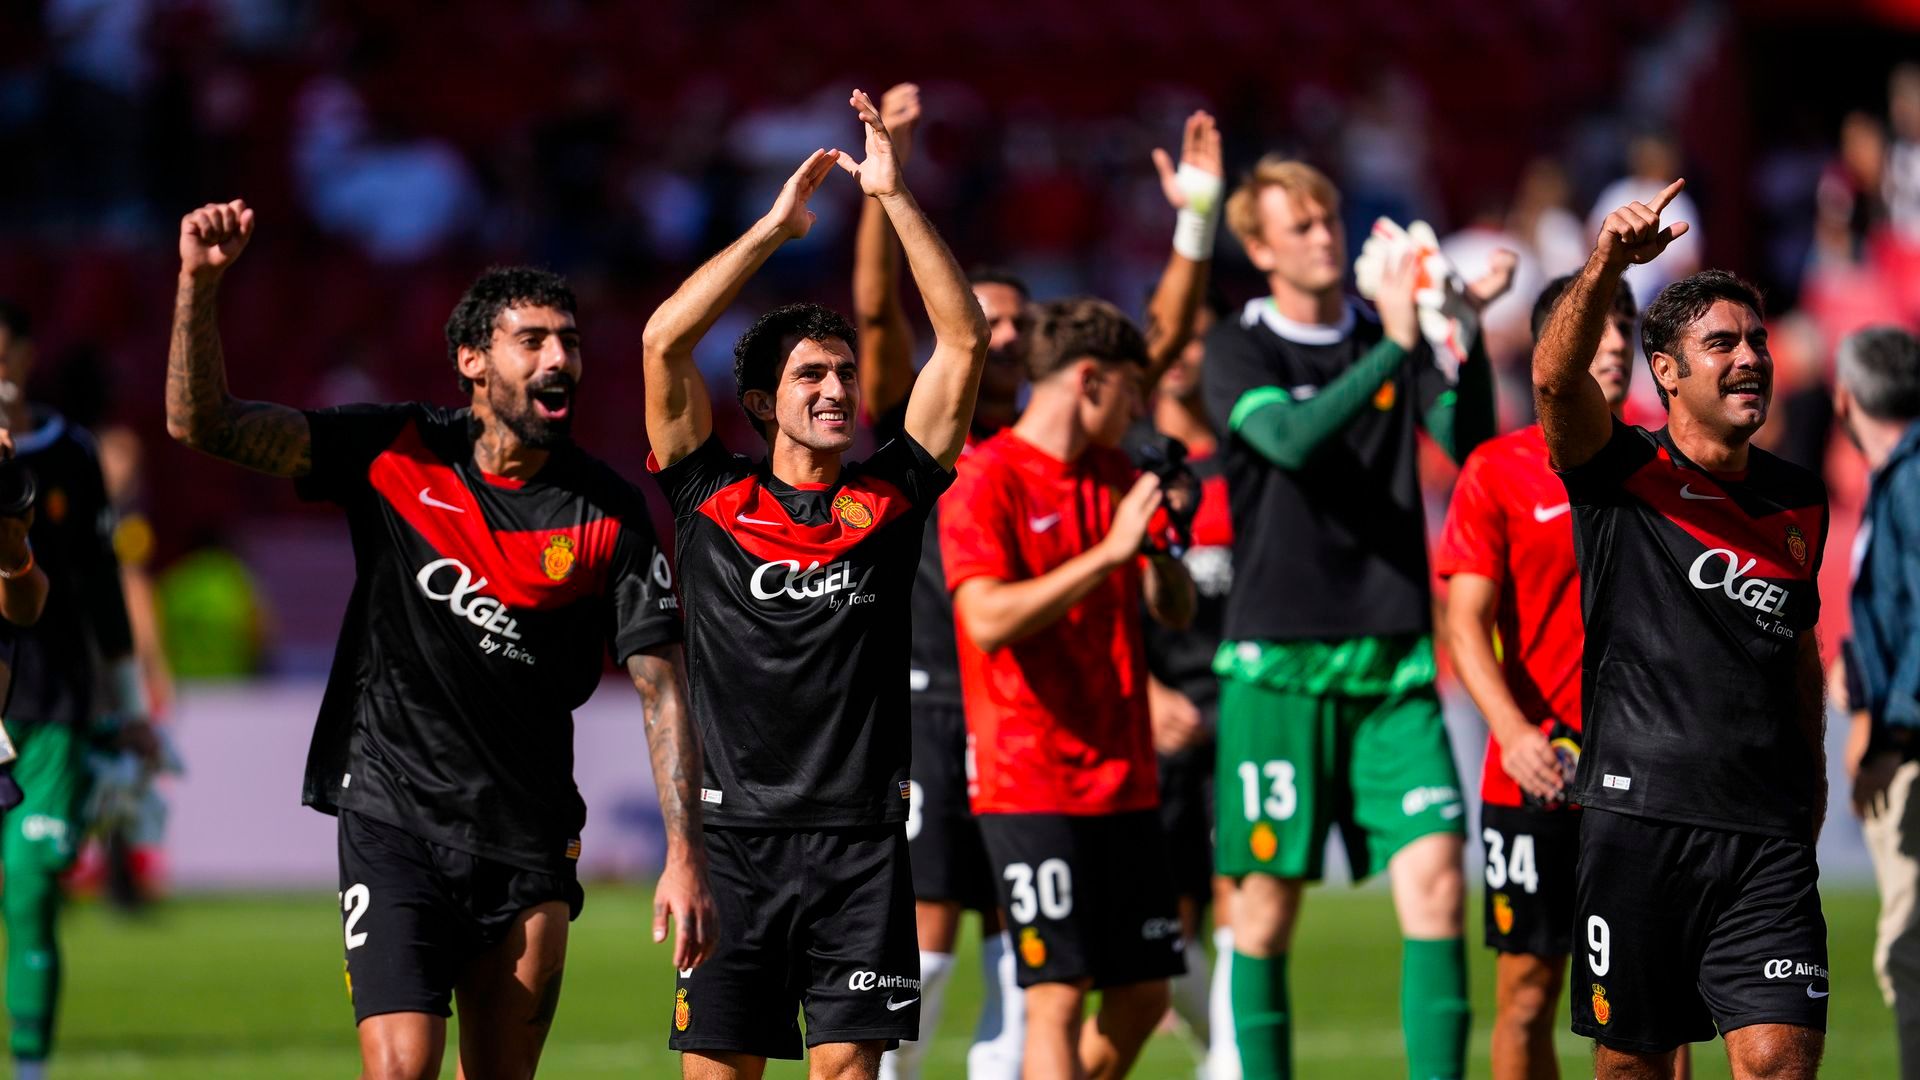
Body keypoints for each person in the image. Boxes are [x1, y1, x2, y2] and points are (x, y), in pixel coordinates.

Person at [166, 202, 711, 1079]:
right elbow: (204, 424)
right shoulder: (395, 450)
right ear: (472, 360)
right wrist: (199, 284)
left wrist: (684, 855)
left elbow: (661, 684)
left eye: (569, 341)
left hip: (529, 831)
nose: (559, 359)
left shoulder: (608, 510)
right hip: (394, 813)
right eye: (532, 341)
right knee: (401, 1067)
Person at [642, 91, 986, 1080]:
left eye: (843, 373)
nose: (837, 389)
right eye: (809, 377)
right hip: (733, 844)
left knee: (848, 1072)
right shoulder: (706, 493)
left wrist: (894, 195)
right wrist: (774, 231)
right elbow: (663, 343)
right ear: (761, 402)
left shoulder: (892, 497)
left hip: (862, 844)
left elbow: (962, 343)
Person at [1204, 158, 1508, 1080]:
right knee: (1264, 911)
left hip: (1393, 663)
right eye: (1299, 225)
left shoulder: (1387, 336)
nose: (1324, 236)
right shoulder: (1238, 348)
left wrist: (1463, 336)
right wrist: (1399, 343)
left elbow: (1471, 445)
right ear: (1259, 247)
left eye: (1329, 218)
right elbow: (1290, 441)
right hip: (1278, 664)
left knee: (1439, 881)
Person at [1535, 179, 1830, 1079]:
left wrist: (1812, 782)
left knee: (1779, 1059)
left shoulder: (1798, 500)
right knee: (1634, 1068)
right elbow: (1553, 378)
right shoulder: (1618, 468)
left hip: (1767, 836)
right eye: (1721, 344)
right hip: (1639, 822)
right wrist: (1605, 264)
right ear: (1664, 371)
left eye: (1757, 341)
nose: (1750, 359)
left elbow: (1799, 651)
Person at [1437, 275, 1688, 1080]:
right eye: (1597, 327)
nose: (1614, 343)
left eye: (1624, 326)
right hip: (1536, 772)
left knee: (1658, 1004)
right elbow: (1464, 622)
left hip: (1651, 774)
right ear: (1554, 348)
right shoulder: (1497, 470)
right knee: (1526, 996)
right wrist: (1512, 733)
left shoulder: (1668, 459)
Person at [944, 297, 1196, 1080]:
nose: (1140, 409)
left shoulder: (1120, 474)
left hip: (1124, 774)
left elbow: (1176, 611)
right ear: (1089, 380)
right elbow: (986, 619)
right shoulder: (986, 478)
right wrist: (1111, 552)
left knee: (1145, 994)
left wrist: (1161, 551)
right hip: (1030, 778)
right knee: (1055, 994)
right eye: (1131, 390)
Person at [0, 297, 149, 1080]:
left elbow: (96, 590)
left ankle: (30, 1067)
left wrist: (130, 708)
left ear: (26, 355)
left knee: (28, 889)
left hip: (52, 709)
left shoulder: (69, 455)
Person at [1131, 286, 1240, 1078]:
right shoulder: (1125, 461)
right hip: (1153, 707)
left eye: (1198, 337)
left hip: (1240, 703)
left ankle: (1229, 1060)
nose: (1183, 354)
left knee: (1243, 880)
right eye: (1169, 337)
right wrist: (1144, 691)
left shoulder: (1249, 454)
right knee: (1163, 916)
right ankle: (1216, 1047)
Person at [1835, 326, 1920, 1078]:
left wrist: (1888, 732)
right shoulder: (1898, 474)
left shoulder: (1911, 477)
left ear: (1846, 399)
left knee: (1908, 953)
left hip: (1910, 747)